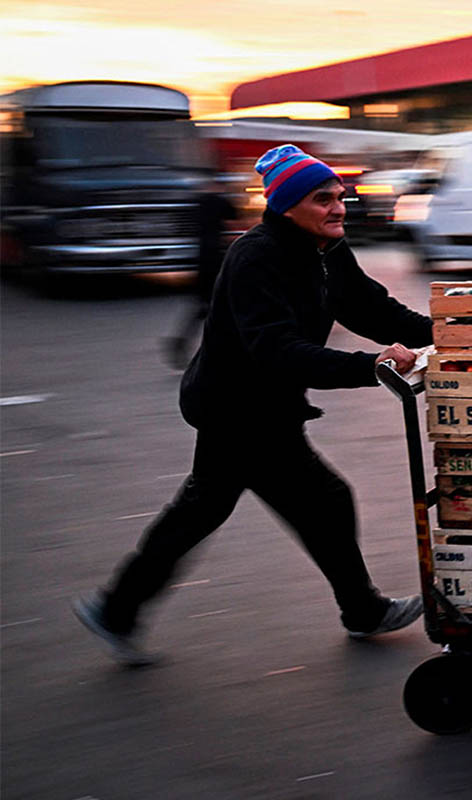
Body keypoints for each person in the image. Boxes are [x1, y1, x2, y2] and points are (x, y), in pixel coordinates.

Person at [74, 144, 433, 666]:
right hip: (237, 409)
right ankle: (361, 611)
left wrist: (453, 329)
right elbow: (277, 350)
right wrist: (371, 367)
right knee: (312, 500)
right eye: (322, 199)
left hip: (265, 408)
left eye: (339, 197)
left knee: (217, 508)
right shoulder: (256, 256)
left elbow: (372, 309)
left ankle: (116, 609)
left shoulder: (326, 249)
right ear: (287, 206)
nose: (338, 208)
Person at [162, 175, 239, 370]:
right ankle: (214, 354)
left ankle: (182, 342)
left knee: (203, 307)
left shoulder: (196, 202)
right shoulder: (221, 201)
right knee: (222, 307)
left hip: (201, 258)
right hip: (216, 258)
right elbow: (233, 223)